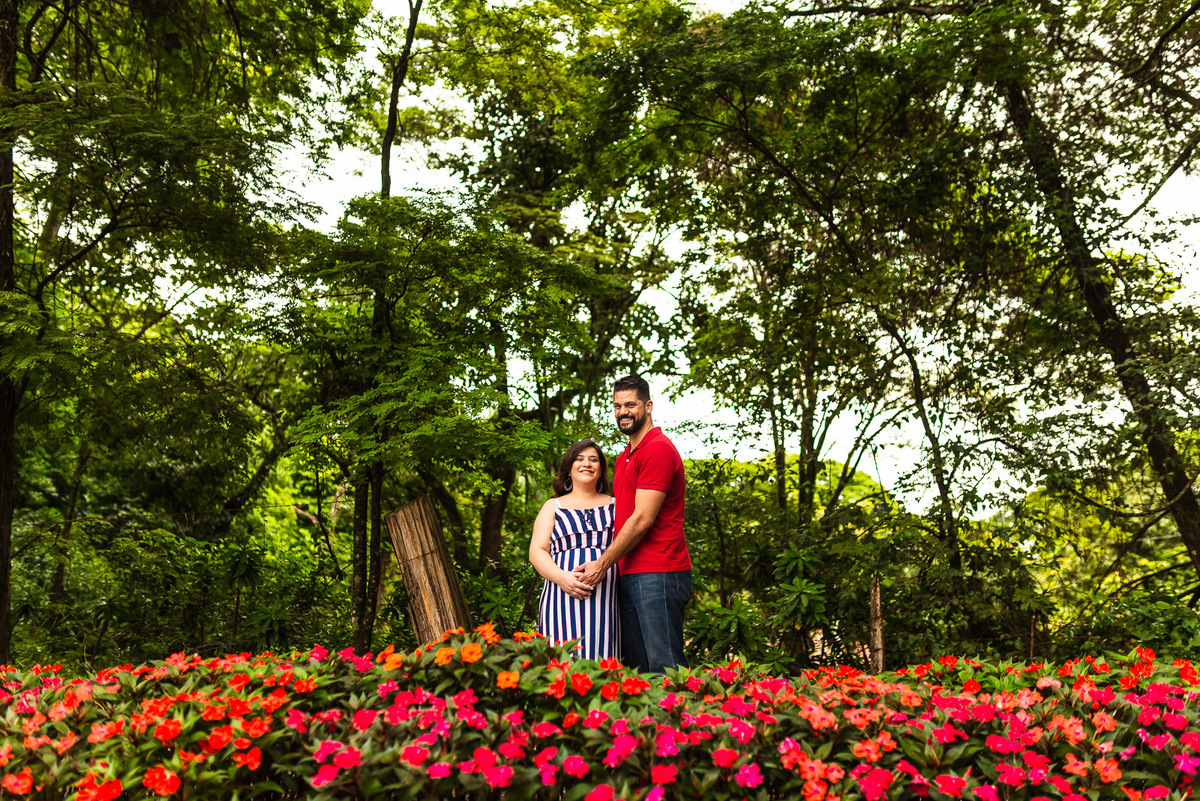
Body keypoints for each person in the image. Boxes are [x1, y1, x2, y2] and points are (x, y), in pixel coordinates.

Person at [577, 375, 691, 673]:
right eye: (617, 406)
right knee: (637, 671)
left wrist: (602, 563)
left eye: (630, 405)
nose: (622, 412)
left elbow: (642, 519)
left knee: (666, 668)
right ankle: (647, 722)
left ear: (648, 406)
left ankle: (682, 719)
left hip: (659, 571)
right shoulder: (626, 456)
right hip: (628, 573)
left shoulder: (657, 449)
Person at [529, 439, 620, 660]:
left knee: (604, 661)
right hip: (560, 595)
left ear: (601, 471)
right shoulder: (553, 506)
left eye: (593, 460)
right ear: (569, 469)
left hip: (606, 597)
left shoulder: (616, 504)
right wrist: (562, 578)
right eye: (579, 459)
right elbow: (537, 551)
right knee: (562, 663)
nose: (586, 464)